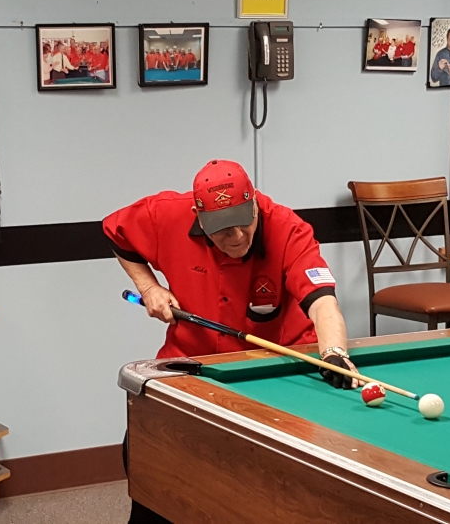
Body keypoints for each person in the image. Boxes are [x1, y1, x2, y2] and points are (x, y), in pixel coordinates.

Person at [104, 159, 360, 523]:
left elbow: (322, 302)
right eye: (223, 229)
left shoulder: (288, 229)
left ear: (254, 203)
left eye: (244, 221)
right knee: (148, 452)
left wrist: (333, 352)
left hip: (278, 369)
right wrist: (149, 288)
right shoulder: (167, 215)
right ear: (199, 219)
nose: (237, 236)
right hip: (190, 362)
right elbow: (115, 232)